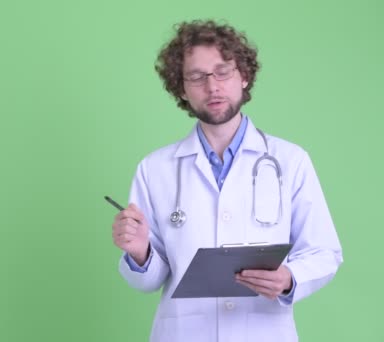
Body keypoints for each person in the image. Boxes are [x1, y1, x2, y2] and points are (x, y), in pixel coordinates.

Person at [111, 19, 342, 342]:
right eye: (196, 76)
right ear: (181, 87)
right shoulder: (155, 169)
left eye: (223, 72)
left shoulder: (290, 161)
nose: (212, 86)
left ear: (244, 76)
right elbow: (150, 279)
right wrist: (139, 253)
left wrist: (290, 278)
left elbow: (323, 251)